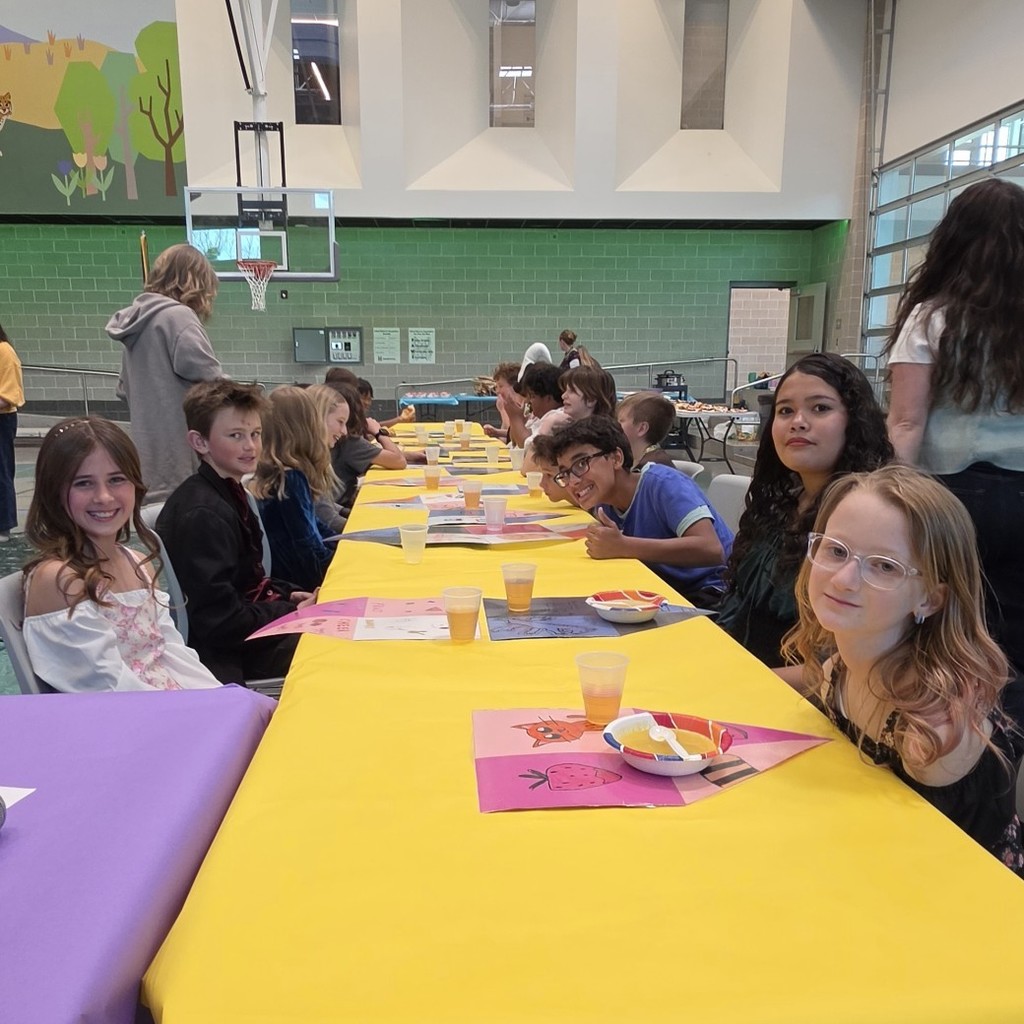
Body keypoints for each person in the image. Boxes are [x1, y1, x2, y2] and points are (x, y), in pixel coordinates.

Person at [781, 465, 1024, 875]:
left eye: (884, 567)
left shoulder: (929, 730)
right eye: (836, 550)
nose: (843, 580)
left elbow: (925, 866)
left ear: (929, 599)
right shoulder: (839, 669)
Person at [884, 178, 1024, 672]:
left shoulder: (930, 318)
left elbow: (906, 421)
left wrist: (890, 494)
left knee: (950, 627)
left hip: (956, 494)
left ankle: (956, 735)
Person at [717, 352, 893, 669]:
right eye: (785, 410)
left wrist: (735, 681)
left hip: (799, 698)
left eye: (820, 408)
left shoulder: (870, 522)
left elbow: (845, 668)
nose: (798, 422)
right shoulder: (780, 504)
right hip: (735, 669)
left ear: (854, 421)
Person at [21, 417, 220, 692]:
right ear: (53, 492)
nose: (103, 497)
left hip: (168, 707)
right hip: (125, 722)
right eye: (83, 483)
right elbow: (106, 686)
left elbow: (174, 655)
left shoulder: (138, 564)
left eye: (116, 479)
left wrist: (222, 700)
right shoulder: (60, 580)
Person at [157, 380, 316, 683]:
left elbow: (247, 580)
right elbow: (220, 622)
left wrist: (291, 595)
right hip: (229, 656)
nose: (251, 446)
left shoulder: (229, 493)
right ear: (199, 442)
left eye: (256, 434)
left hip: (243, 633)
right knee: (330, 648)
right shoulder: (203, 515)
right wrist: (292, 613)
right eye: (236, 436)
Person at [544, 416, 733, 608]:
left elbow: (712, 549)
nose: (573, 481)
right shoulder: (605, 504)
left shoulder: (661, 483)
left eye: (581, 464)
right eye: (565, 473)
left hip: (715, 595)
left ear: (616, 458)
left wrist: (624, 546)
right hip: (663, 593)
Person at [106, 243, 223, 503]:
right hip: (181, 460)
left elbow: (123, 390)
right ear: (196, 281)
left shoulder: (137, 323)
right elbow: (213, 382)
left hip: (148, 462)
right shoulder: (178, 316)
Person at [248, 386, 338, 592]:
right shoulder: (291, 479)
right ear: (309, 427)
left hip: (286, 576)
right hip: (298, 584)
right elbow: (307, 545)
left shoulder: (272, 473)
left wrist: (345, 546)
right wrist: (340, 567)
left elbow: (316, 526)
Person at [326, 380, 407, 507]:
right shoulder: (349, 442)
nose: (367, 404)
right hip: (342, 506)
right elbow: (399, 461)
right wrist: (378, 432)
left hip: (338, 508)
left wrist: (413, 455)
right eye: (362, 400)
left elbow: (374, 453)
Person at [306, 383, 351, 536]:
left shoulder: (314, 459)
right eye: (340, 422)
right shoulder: (302, 466)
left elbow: (325, 505)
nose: (344, 431)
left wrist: (351, 512)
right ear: (318, 417)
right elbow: (327, 519)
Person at [0, 323, 23, 542]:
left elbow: (8, 395)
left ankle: (3, 527)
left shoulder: (4, 351)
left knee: (1, 472)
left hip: (2, 419)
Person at [615, 391, 676, 470]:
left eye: (620, 421)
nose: (615, 425)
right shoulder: (639, 458)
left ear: (641, 429)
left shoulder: (649, 470)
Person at [483, 361, 525, 442]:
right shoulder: (505, 402)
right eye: (496, 387)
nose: (497, 391)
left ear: (515, 386)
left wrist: (503, 410)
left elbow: (516, 436)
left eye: (501, 386)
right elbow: (507, 433)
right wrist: (496, 432)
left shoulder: (524, 406)